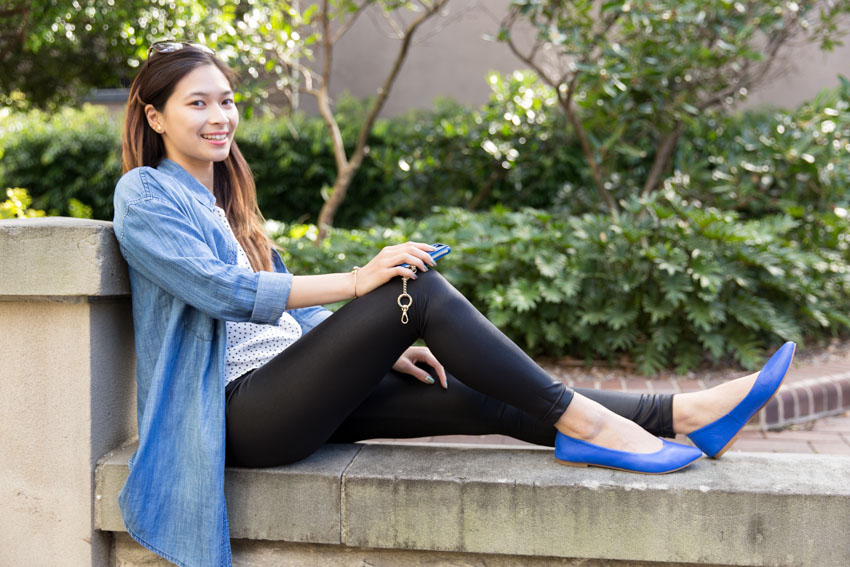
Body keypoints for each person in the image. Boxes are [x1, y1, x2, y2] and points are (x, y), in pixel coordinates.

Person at [112, 41, 796, 567]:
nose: (219, 116)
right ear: (154, 115)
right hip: (237, 412)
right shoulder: (145, 194)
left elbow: (295, 317)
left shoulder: (226, 199)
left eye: (226, 100)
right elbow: (223, 291)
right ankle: (596, 424)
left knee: (481, 397)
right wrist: (360, 284)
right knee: (414, 287)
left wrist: (374, 347)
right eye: (197, 103)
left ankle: (684, 415)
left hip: (288, 390)